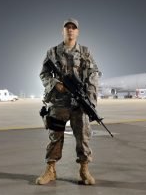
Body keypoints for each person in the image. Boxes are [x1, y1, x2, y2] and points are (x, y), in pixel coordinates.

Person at [36, 18, 99, 185]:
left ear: (77, 32)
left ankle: (84, 170)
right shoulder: (53, 52)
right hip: (58, 103)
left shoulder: (85, 52)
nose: (70, 30)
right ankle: (50, 170)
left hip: (79, 103)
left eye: (73, 28)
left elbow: (94, 75)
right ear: (62, 31)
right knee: (55, 136)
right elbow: (44, 74)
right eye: (67, 28)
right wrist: (56, 84)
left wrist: (90, 101)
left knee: (83, 137)